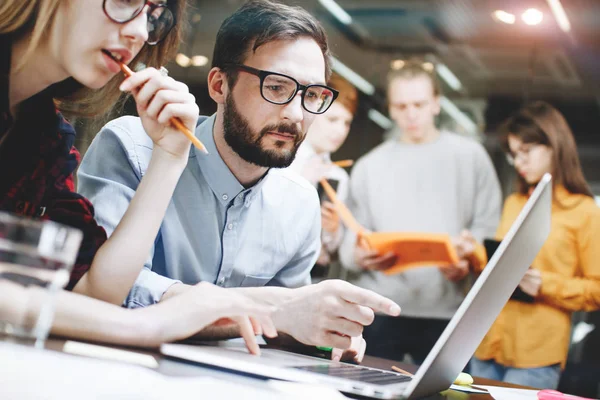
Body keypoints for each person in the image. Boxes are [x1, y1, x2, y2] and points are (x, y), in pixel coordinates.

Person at [78, 0, 401, 363]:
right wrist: (259, 311)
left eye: (312, 95)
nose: (296, 114)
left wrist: (322, 333)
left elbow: (284, 322)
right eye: (276, 87)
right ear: (219, 85)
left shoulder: (299, 203)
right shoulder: (134, 147)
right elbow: (103, 289)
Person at [0, 0, 276, 352]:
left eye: (152, 14)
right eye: (125, 1)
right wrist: (145, 325)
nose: (140, 32)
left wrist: (170, 155)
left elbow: (95, 294)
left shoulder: (44, 137)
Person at [338, 60, 502, 363]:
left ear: (437, 104)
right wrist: (359, 255)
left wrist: (469, 258)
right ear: (390, 108)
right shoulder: (369, 166)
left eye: (419, 104)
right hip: (380, 309)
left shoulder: (471, 157)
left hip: (448, 312)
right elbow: (350, 240)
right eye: (401, 106)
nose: (410, 114)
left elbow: (487, 226)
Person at [468, 101, 600, 389]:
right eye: (514, 155)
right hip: (487, 343)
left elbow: (596, 289)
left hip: (536, 355)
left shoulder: (584, 210)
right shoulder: (514, 202)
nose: (519, 162)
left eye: (526, 152)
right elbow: (500, 263)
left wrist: (544, 284)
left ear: (554, 146)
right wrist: (475, 254)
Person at [288, 73, 358, 280]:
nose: (340, 130)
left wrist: (333, 230)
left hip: (313, 278)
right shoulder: (281, 160)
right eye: (333, 119)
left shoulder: (338, 176)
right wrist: (302, 182)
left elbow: (333, 250)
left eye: (346, 123)